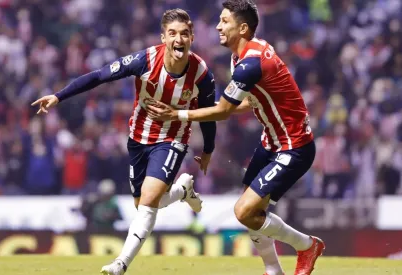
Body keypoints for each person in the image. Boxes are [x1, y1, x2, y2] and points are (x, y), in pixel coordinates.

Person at [31, 9, 216, 275]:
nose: (179, 39)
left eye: (184, 33)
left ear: (192, 38)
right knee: (143, 205)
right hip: (138, 138)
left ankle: (121, 263)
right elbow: (99, 76)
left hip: (172, 139)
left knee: (150, 201)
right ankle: (181, 191)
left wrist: (208, 149)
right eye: (172, 33)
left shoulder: (202, 74)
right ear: (163, 37)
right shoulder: (144, 60)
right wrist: (59, 96)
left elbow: (209, 114)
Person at [147, 1, 324, 274]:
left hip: (294, 146)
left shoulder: (249, 64)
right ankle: (273, 271)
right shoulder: (243, 55)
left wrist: (177, 114)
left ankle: (306, 245)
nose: (218, 26)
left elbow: (223, 110)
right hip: (272, 141)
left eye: (224, 21)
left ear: (242, 28)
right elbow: (248, 103)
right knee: (251, 213)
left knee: (243, 212)